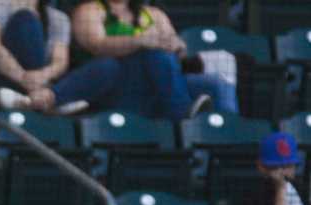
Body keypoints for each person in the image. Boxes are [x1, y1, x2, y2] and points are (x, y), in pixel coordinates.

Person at [69, 0, 235, 120]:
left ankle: (230, 136)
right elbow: (97, 46)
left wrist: (176, 46)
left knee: (216, 84)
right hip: (121, 85)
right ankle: (182, 113)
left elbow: (178, 51)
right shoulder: (90, 10)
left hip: (160, 83)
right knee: (155, 54)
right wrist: (141, 42)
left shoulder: (154, 14)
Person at [241, 132, 308, 205]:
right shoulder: (254, 194)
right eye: (276, 167)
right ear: (262, 167)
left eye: (288, 166)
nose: (283, 172)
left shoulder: (302, 189)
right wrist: (280, 188)